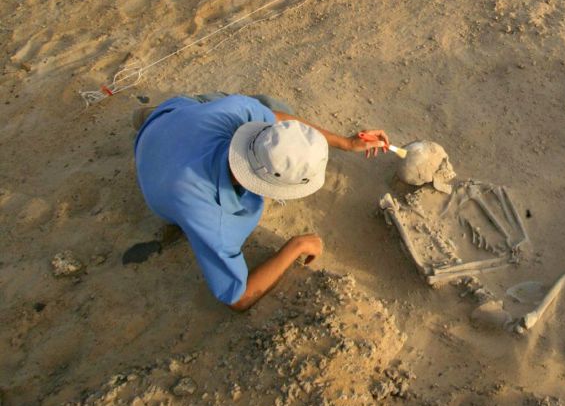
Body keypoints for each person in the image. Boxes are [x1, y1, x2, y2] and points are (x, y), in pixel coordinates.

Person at [133, 93, 390, 310]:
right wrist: (296, 246)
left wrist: (346, 142)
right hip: (167, 191)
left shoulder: (236, 110)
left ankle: (152, 117)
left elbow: (277, 119)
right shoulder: (212, 216)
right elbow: (239, 298)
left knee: (265, 105)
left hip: (169, 118)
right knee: (270, 106)